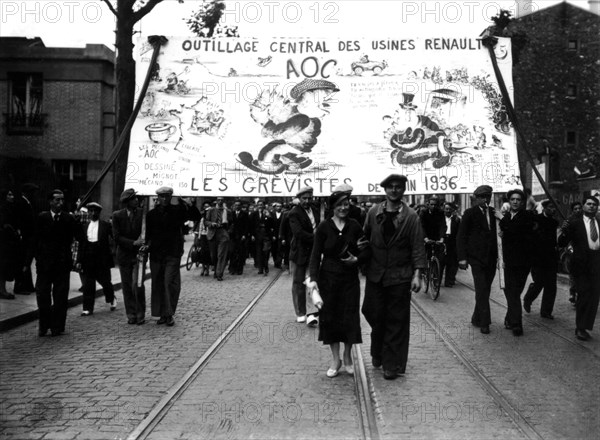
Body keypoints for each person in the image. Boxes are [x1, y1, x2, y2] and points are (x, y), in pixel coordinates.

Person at [361, 174, 426, 380]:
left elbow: (417, 247)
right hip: (376, 274)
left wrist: (418, 274)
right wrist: (359, 258)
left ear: (403, 190)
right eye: (391, 187)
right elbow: (364, 238)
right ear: (385, 190)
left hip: (400, 275)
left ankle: (392, 363)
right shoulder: (373, 213)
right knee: (372, 312)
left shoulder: (411, 217)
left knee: (396, 320)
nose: (394, 190)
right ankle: (377, 350)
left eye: (398, 187)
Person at [307, 190, 367, 377]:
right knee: (330, 318)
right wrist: (313, 280)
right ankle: (336, 359)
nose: (343, 207)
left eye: (346, 204)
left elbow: (366, 249)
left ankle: (348, 356)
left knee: (349, 317)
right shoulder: (324, 227)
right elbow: (315, 255)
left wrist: (356, 259)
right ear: (332, 207)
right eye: (340, 204)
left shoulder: (355, 225)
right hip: (329, 279)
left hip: (349, 279)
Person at [28, 189, 83, 336]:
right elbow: (34, 240)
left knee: (60, 297)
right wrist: (33, 259)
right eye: (57, 200)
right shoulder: (42, 218)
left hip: (62, 264)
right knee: (43, 296)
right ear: (50, 201)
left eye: (62, 200)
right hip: (45, 265)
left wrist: (77, 221)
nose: (60, 203)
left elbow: (79, 236)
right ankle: (44, 325)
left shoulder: (68, 219)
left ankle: (57, 326)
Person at [144, 187, 189, 326]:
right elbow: (148, 235)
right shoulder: (151, 214)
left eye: (167, 196)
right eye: (161, 196)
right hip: (156, 255)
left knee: (169, 283)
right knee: (157, 284)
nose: (164, 199)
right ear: (157, 197)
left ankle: (169, 314)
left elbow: (195, 216)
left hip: (172, 254)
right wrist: (146, 246)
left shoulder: (177, 211)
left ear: (171, 197)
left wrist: (186, 203)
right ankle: (160, 314)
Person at [457, 185, 498, 335]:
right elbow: (461, 237)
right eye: (482, 197)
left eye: (488, 197)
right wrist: (462, 258)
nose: (485, 200)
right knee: (481, 289)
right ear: (476, 198)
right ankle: (485, 322)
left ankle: (476, 317)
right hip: (476, 259)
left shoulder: (494, 213)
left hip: (491, 258)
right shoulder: (469, 214)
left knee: (485, 290)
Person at [558, 195, 600, 341]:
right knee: (584, 296)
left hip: (596, 265)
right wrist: (564, 230)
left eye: (595, 204)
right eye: (589, 204)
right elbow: (562, 242)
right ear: (583, 206)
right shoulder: (575, 223)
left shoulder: (599, 222)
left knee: (594, 297)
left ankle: (586, 326)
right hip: (581, 265)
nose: (592, 206)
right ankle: (580, 328)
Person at [499, 189, 535, 336]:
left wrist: (502, 223)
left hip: (522, 262)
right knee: (511, 292)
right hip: (507, 262)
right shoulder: (507, 216)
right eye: (512, 199)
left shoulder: (527, 216)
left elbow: (516, 232)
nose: (515, 202)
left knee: (514, 292)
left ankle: (514, 321)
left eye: (518, 199)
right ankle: (514, 321)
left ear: (522, 202)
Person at [112, 188, 146, 325]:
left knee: (137, 285)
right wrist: (133, 243)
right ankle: (131, 314)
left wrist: (144, 244)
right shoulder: (117, 216)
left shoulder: (143, 215)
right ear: (127, 202)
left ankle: (140, 313)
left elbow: (146, 233)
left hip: (139, 256)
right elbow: (117, 237)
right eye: (133, 198)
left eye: (136, 197)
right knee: (126, 286)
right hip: (124, 255)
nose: (136, 200)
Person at [288, 186, 320, 326]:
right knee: (298, 283)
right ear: (299, 199)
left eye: (309, 198)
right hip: (299, 253)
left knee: (313, 282)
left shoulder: (317, 211)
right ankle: (300, 313)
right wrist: (318, 238)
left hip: (314, 253)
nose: (307, 201)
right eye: (304, 198)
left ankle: (312, 313)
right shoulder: (294, 213)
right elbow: (299, 233)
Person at [78, 202, 117, 316]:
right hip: (88, 256)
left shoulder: (105, 225)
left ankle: (111, 298)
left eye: (96, 211)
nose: (93, 213)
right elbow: (82, 244)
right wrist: (79, 260)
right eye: (91, 211)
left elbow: (114, 238)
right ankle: (87, 308)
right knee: (88, 283)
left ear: (99, 213)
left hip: (101, 257)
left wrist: (112, 251)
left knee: (105, 281)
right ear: (88, 212)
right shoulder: (84, 226)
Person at [523, 200, 559, 319]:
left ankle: (546, 311)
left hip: (551, 258)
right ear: (544, 208)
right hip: (537, 258)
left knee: (551, 286)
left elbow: (555, 241)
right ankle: (528, 298)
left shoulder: (555, 222)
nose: (553, 210)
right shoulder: (536, 219)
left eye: (554, 208)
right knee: (539, 283)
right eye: (550, 207)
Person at [14, 182, 39, 295]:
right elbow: (20, 220)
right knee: (22, 262)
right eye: (31, 192)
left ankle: (28, 285)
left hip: (28, 237)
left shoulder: (27, 202)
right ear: (25, 193)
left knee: (27, 262)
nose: (33, 194)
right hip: (24, 237)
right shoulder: (21, 203)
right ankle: (19, 286)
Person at [0, 189, 20, 299]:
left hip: (9, 241)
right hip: (4, 241)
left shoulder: (10, 208)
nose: (12, 197)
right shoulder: (3, 208)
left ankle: (2, 289)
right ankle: (2, 290)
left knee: (6, 266)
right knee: (3, 266)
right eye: (9, 194)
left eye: (12, 194)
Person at [204, 197, 230, 281]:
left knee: (221, 255)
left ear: (224, 201)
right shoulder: (211, 210)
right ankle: (216, 270)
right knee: (213, 256)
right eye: (219, 200)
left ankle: (219, 274)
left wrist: (228, 231)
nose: (220, 201)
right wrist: (212, 224)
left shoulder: (227, 211)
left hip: (223, 233)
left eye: (222, 200)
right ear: (216, 201)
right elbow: (206, 221)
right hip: (213, 234)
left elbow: (233, 222)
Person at [250, 200, 274, 275]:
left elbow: (272, 224)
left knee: (266, 251)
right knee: (259, 252)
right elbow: (251, 225)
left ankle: (266, 266)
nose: (260, 206)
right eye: (259, 205)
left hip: (266, 234)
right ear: (257, 206)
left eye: (261, 205)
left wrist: (268, 216)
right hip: (257, 235)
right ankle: (260, 268)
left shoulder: (268, 213)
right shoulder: (254, 214)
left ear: (264, 206)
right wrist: (252, 235)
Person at [565, 201, 583, 305]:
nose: (578, 210)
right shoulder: (569, 220)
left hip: (583, 252)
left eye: (579, 208)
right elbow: (566, 237)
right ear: (572, 210)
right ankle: (572, 293)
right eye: (575, 209)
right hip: (573, 251)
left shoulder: (586, 219)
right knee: (573, 275)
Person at [441, 202, 460, 287]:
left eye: (449, 209)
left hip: (452, 241)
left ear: (452, 210)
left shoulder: (456, 219)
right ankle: (437, 279)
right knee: (441, 261)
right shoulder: (440, 219)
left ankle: (449, 281)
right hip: (442, 240)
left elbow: (459, 232)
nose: (448, 211)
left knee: (451, 262)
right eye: (446, 209)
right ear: (444, 209)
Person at [228, 200, 249, 275]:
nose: (237, 206)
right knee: (232, 252)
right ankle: (232, 268)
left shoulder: (245, 214)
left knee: (240, 253)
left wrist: (244, 235)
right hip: (232, 236)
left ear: (240, 206)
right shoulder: (231, 214)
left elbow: (246, 225)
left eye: (238, 205)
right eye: (236, 205)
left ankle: (239, 269)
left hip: (240, 235)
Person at [197, 202, 213, 276]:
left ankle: (207, 268)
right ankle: (203, 268)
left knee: (208, 253)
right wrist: (199, 236)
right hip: (203, 236)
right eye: (205, 207)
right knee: (203, 253)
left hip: (209, 236)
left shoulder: (212, 217)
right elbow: (200, 227)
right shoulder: (202, 218)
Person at [270, 202, 284, 269]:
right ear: (275, 207)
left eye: (280, 206)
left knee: (280, 249)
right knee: (274, 249)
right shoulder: (272, 215)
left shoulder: (283, 215)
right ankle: (275, 261)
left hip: (281, 235)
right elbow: (270, 226)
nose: (279, 208)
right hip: (274, 235)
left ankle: (279, 263)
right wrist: (272, 235)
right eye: (277, 206)